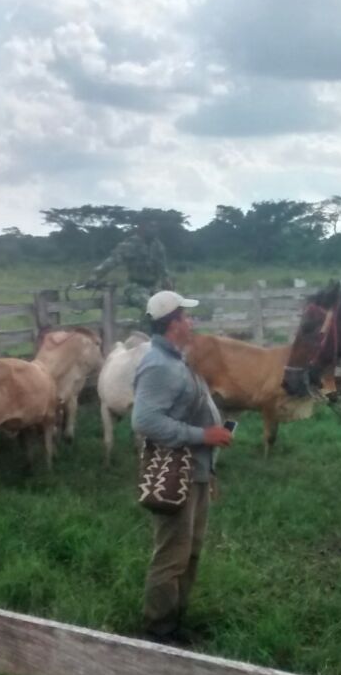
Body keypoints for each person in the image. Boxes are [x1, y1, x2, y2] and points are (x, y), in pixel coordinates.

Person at [131, 290, 233, 645]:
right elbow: (144, 421)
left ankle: (176, 622)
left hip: (196, 471)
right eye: (186, 317)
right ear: (173, 323)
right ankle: (159, 632)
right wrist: (202, 434)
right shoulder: (158, 365)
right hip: (177, 473)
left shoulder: (177, 359)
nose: (192, 322)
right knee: (171, 555)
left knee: (189, 552)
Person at [87, 225, 173, 310]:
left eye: (155, 226)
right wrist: (95, 276)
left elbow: (163, 269)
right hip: (135, 287)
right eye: (151, 226)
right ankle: (146, 324)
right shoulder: (130, 244)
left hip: (153, 287)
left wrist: (168, 286)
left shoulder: (158, 246)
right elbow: (111, 262)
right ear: (141, 228)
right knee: (151, 307)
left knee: (169, 308)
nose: (154, 230)